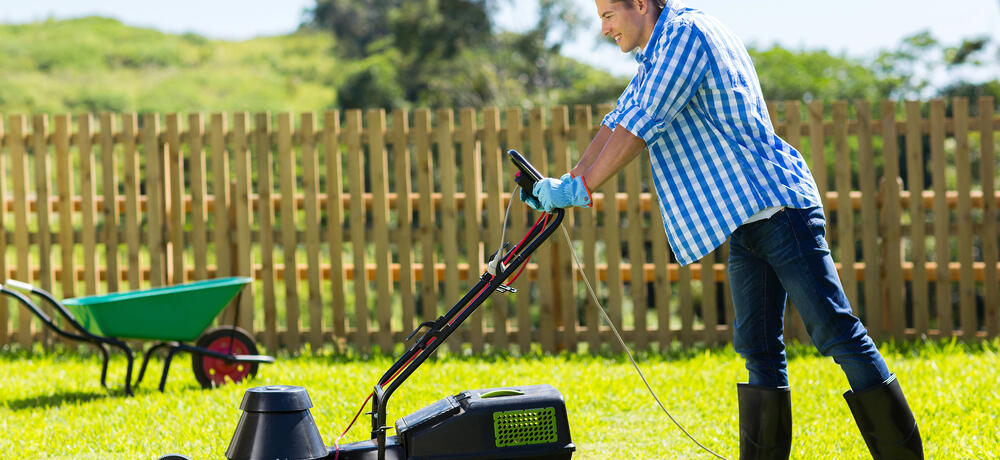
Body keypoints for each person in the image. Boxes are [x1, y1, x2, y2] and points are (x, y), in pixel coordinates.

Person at [519, 0, 924, 459]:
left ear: (640, 4)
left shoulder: (686, 35)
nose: (604, 29)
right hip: (745, 219)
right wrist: (566, 184)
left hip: (780, 208)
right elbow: (618, 121)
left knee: (835, 331)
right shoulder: (657, 52)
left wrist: (581, 188)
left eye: (609, 15)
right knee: (758, 350)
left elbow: (641, 122)